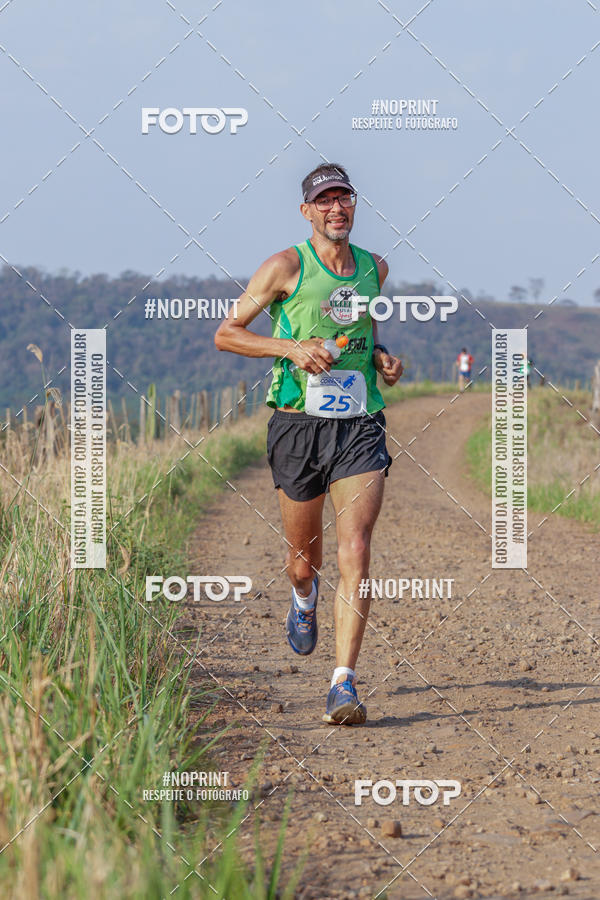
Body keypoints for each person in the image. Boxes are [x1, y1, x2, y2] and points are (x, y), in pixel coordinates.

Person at [215, 163, 403, 725]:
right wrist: (292, 350)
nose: (336, 208)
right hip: (298, 424)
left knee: (357, 550)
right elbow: (227, 333)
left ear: (354, 206)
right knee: (304, 563)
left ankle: (342, 683)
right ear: (307, 211)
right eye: (324, 201)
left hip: (359, 423)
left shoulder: (375, 268)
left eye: (344, 198)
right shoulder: (284, 266)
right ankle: (302, 599)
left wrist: (381, 359)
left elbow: (363, 334)